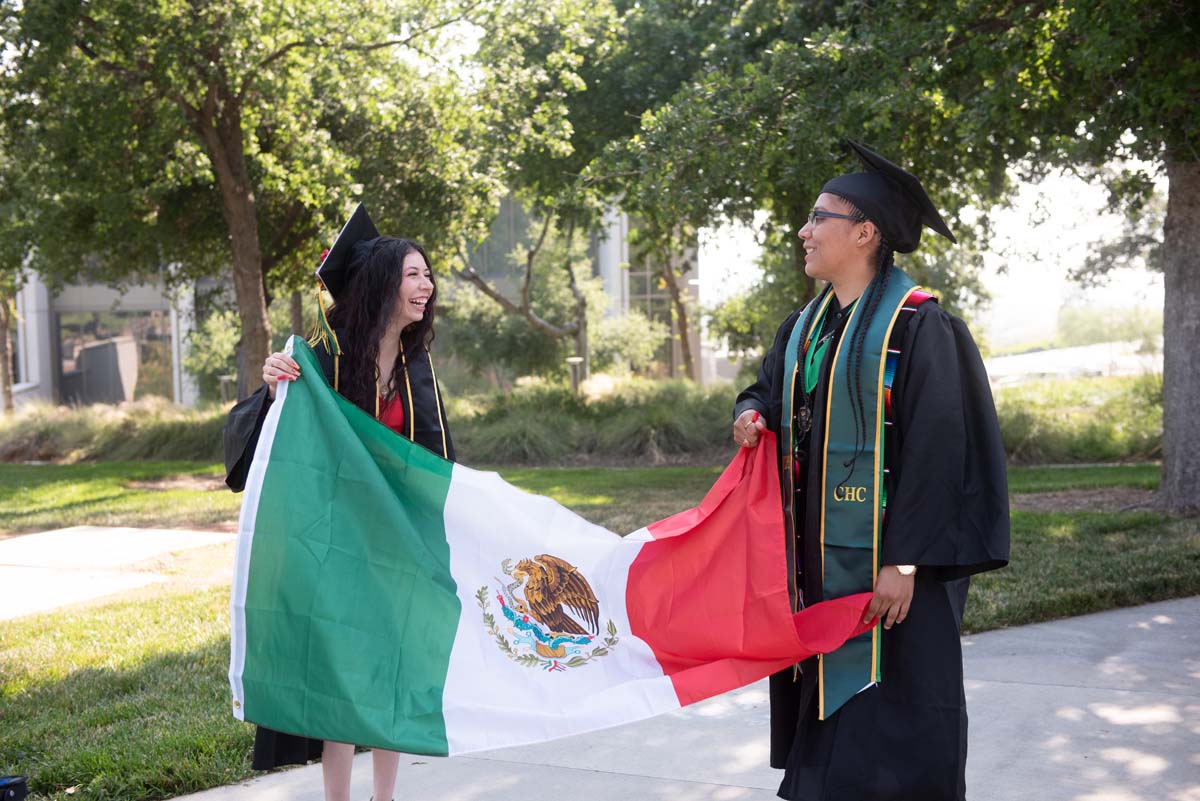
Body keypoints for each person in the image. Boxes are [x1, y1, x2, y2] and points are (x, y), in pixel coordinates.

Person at [732, 141, 1009, 801]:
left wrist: (905, 560)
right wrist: (750, 414)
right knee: (830, 728)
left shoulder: (920, 326)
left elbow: (943, 450)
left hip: (894, 581)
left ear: (863, 233)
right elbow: (766, 390)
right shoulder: (804, 330)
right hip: (818, 574)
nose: (803, 230)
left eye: (817, 217)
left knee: (898, 728)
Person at [223, 203, 454, 801]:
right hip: (333, 539)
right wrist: (276, 384)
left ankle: (385, 797)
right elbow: (280, 435)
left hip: (392, 540)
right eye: (413, 274)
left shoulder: (414, 364)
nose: (426, 284)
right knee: (343, 673)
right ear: (382, 284)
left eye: (428, 274)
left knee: (393, 668)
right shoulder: (322, 357)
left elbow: (435, 458)